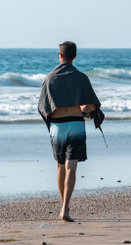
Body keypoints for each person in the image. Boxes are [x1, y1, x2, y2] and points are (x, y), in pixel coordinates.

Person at [38, 41, 103, 222]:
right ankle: (65, 208)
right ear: (75, 56)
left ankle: (63, 206)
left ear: (60, 55)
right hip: (75, 124)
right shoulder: (81, 78)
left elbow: (44, 107)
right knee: (71, 166)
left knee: (60, 166)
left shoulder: (50, 78)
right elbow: (90, 106)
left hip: (57, 126)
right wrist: (83, 109)